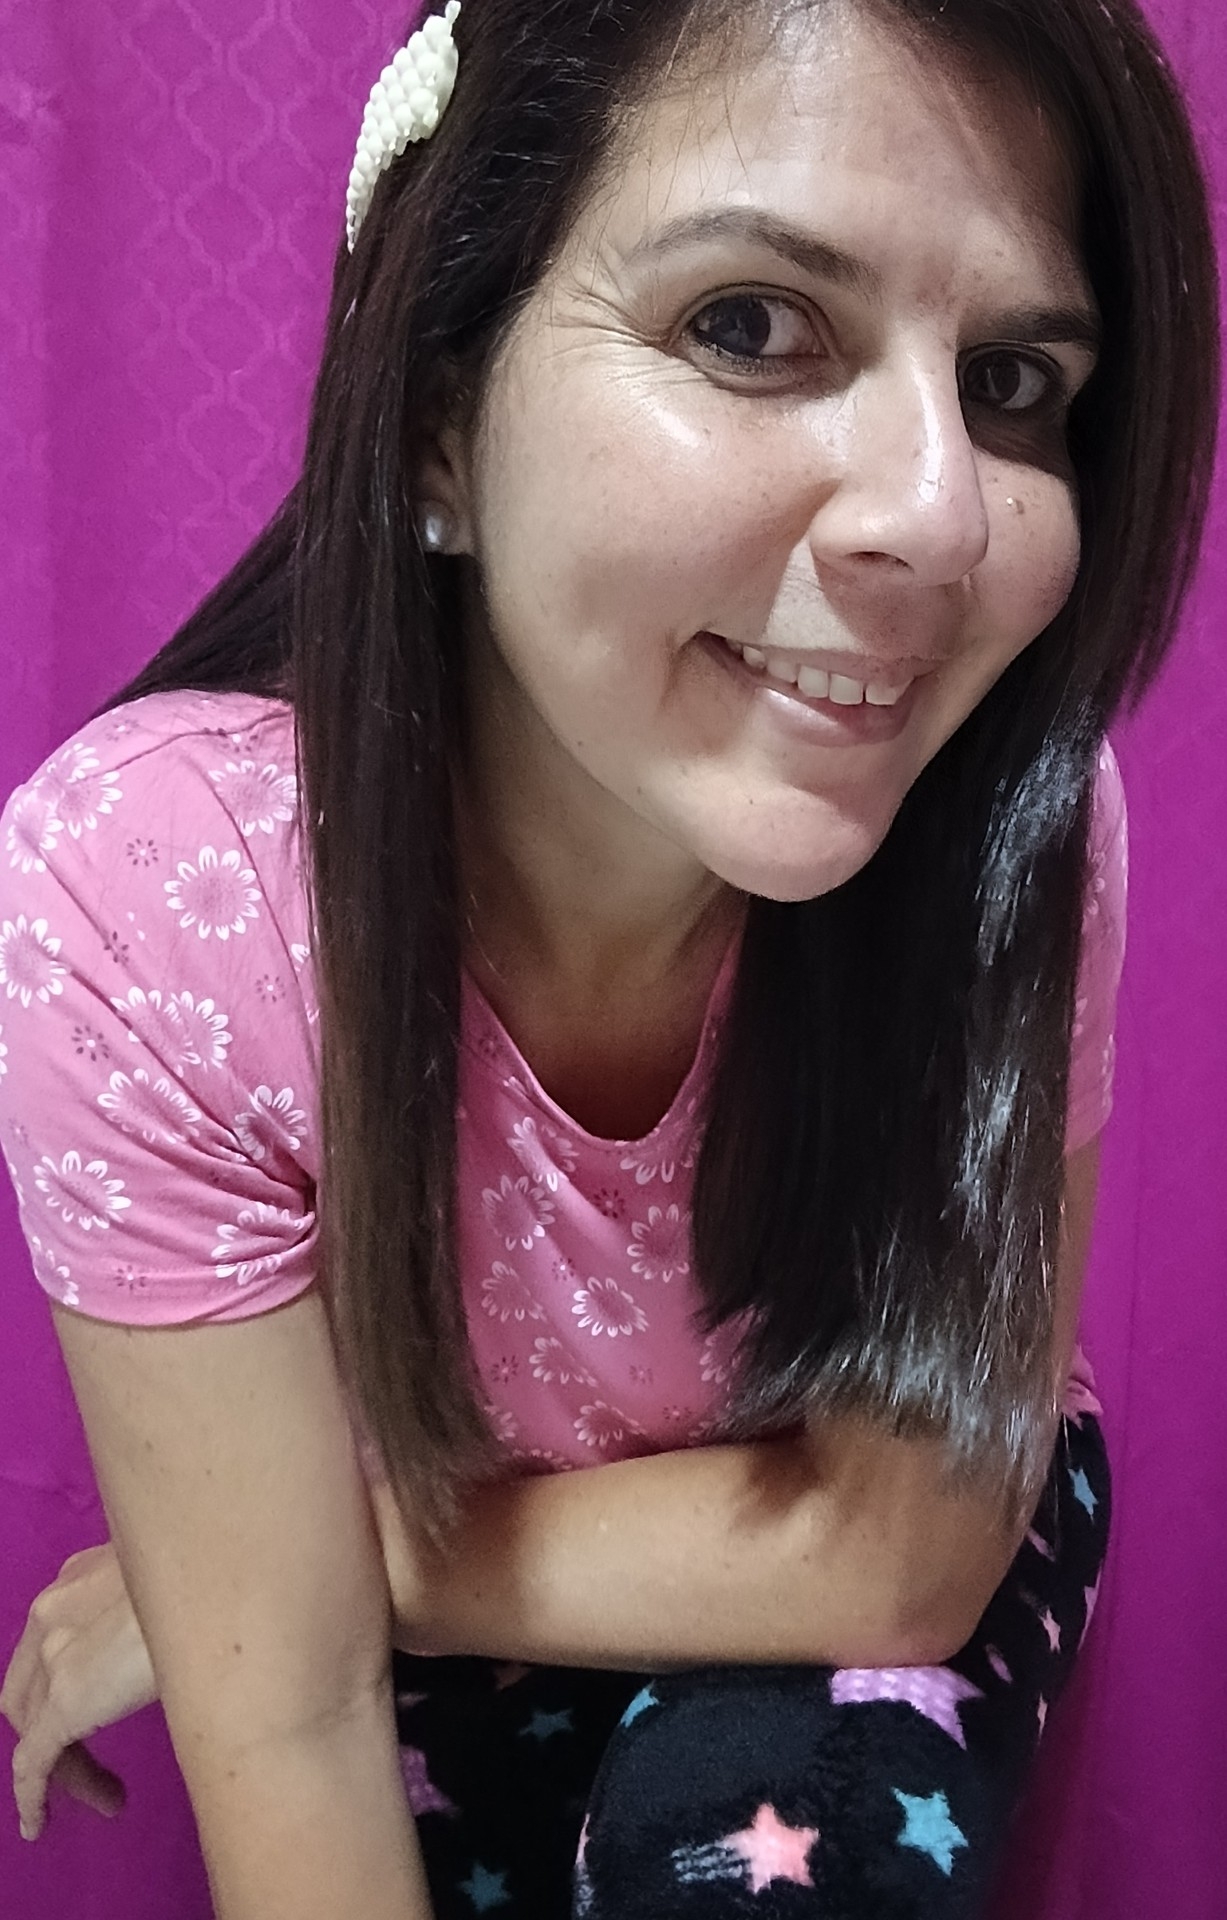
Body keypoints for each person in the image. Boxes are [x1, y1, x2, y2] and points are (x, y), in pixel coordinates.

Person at [0, 0, 1218, 1914]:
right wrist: (273, 1620)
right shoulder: (157, 901)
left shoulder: (1017, 837)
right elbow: (294, 1735)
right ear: (436, 422)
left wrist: (274, 1573)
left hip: (872, 1537)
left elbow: (905, 1552)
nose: (939, 516)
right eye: (748, 325)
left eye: (1010, 383)